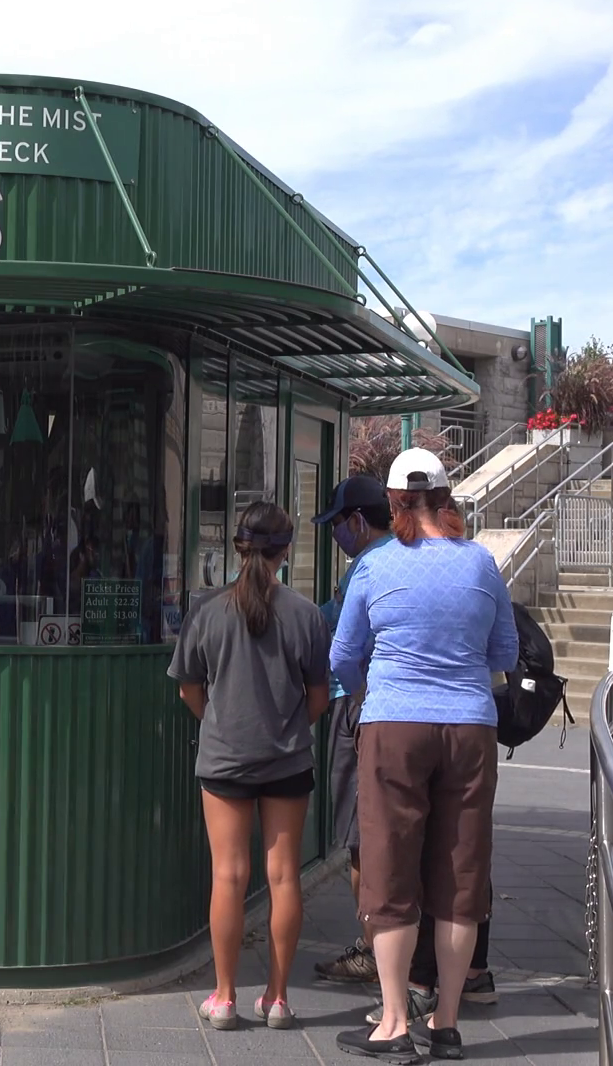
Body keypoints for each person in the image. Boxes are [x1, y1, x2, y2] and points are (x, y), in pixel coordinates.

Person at [330, 448, 518, 1062]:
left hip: (394, 724)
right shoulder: (481, 563)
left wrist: (371, 689)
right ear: (446, 499)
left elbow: (342, 655)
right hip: (470, 727)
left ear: (394, 503)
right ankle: (447, 1022)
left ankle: (393, 1022)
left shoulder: (375, 566)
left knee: (390, 870)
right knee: (461, 874)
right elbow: (505, 653)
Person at [169, 501, 330, 1032]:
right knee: (283, 876)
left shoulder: (206, 611)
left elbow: (189, 688)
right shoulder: (306, 615)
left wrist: (218, 721)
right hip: (287, 759)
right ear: (286, 550)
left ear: (237, 547)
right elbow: (318, 697)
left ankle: (224, 997)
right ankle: (278, 999)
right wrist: (288, 727)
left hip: (224, 759)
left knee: (228, 875)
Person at [310, 474, 394, 987]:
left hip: (359, 707)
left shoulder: (366, 566)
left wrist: (357, 695)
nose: (334, 534)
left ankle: (371, 948)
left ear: (358, 521)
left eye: (337, 524)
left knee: (361, 838)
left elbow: (341, 648)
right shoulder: (403, 556)